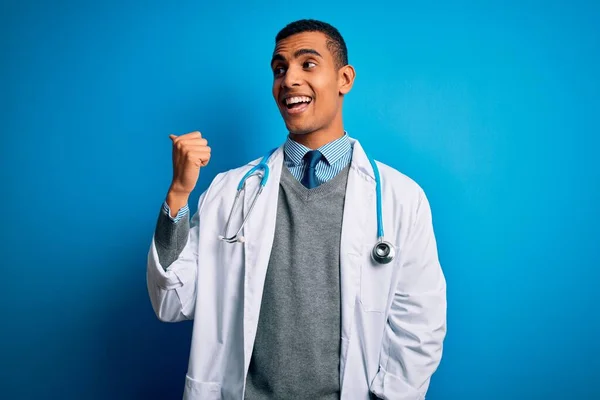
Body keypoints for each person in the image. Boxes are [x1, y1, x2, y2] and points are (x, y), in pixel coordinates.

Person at [147, 19, 447, 400]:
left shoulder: (400, 198)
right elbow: (172, 299)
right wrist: (178, 192)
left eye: (307, 64)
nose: (288, 80)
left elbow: (419, 327)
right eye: (279, 69)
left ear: (344, 79)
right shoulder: (230, 192)